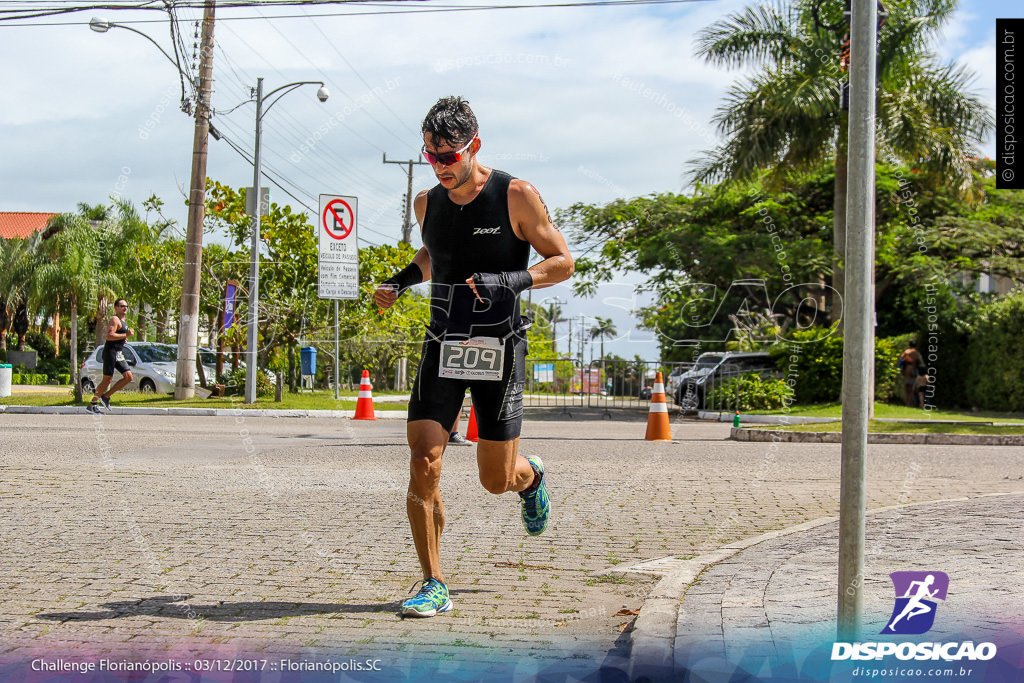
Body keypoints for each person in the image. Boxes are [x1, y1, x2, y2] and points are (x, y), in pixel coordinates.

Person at [374, 96, 574, 618]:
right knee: (423, 461)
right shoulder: (426, 203)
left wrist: (511, 280)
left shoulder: (516, 196)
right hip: (443, 344)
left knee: (494, 481)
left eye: (448, 156)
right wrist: (401, 280)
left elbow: (562, 261)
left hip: (499, 346)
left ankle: (529, 477)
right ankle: (432, 582)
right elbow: (434, 256)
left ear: (473, 146)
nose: (440, 166)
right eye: (430, 155)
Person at [87, 298, 134, 414]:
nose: (125, 308)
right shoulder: (114, 319)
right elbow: (109, 336)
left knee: (128, 377)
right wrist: (125, 335)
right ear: (116, 307)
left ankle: (106, 396)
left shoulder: (123, 321)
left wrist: (124, 338)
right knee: (107, 380)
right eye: (122, 306)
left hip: (118, 353)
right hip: (110, 352)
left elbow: (118, 335)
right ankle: (92, 405)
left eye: (126, 306)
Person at [898, 341, 923, 407]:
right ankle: (911, 403)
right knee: (912, 388)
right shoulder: (916, 353)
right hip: (913, 371)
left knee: (906, 388)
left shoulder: (906, 352)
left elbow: (900, 361)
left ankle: (906, 403)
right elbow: (921, 363)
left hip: (906, 371)